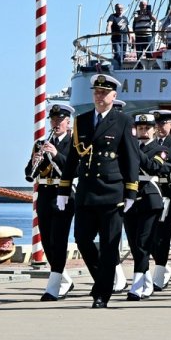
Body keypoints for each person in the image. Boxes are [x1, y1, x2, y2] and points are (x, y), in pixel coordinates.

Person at [56, 74, 139, 308]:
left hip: (112, 192)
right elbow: (73, 157)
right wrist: (64, 189)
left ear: (114, 96)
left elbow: (131, 159)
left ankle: (102, 294)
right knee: (82, 239)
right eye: (96, 92)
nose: (99, 96)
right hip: (86, 191)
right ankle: (103, 279)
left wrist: (131, 191)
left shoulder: (123, 121)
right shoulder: (81, 121)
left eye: (104, 93)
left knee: (110, 244)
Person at [25, 103, 76, 301]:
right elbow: (29, 170)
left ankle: (54, 287)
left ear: (67, 122)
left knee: (59, 239)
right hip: (45, 193)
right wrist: (36, 160)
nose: (56, 123)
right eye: (53, 120)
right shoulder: (40, 144)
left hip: (64, 194)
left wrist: (55, 154)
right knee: (46, 241)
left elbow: (74, 171)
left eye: (60, 120)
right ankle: (64, 279)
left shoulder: (73, 143)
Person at [124, 113, 170, 300]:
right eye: (140, 128)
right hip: (130, 197)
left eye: (147, 128)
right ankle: (147, 282)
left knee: (143, 244)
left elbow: (153, 167)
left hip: (150, 198)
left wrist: (134, 149)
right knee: (134, 244)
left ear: (154, 130)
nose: (143, 131)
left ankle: (137, 285)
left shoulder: (161, 149)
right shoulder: (130, 147)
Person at [150, 109, 171, 290]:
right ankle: (163, 266)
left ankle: (160, 269)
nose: (160, 127)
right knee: (149, 234)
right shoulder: (150, 145)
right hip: (151, 192)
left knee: (163, 234)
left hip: (167, 193)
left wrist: (159, 165)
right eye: (158, 124)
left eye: (164, 124)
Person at [106, 4, 132, 70]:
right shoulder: (112, 16)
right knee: (117, 53)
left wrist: (130, 39)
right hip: (116, 39)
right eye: (118, 8)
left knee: (123, 54)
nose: (120, 10)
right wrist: (108, 30)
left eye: (121, 8)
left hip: (124, 39)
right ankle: (117, 66)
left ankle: (120, 65)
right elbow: (109, 24)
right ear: (116, 9)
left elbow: (128, 29)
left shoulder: (125, 18)